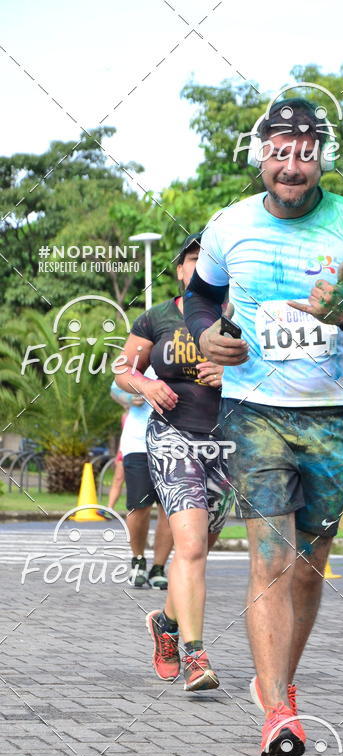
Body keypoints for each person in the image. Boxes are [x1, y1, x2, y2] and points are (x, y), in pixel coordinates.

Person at [183, 98, 343, 756]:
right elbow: (202, 297)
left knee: (310, 572)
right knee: (272, 561)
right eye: (280, 151)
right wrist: (209, 335)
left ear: (321, 157)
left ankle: (274, 676)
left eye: (305, 152)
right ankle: (281, 714)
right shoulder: (230, 225)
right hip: (255, 409)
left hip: (332, 414)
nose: (292, 165)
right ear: (262, 155)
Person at [115, 233, 235, 691]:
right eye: (194, 260)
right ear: (182, 271)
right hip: (172, 437)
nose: (202, 267)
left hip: (226, 443)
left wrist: (231, 372)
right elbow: (122, 369)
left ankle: (165, 624)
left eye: (212, 261)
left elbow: (270, 371)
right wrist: (145, 387)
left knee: (200, 550)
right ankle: (196, 656)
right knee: (189, 549)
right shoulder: (157, 317)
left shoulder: (240, 316)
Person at [109, 377, 173, 588]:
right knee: (139, 506)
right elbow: (115, 389)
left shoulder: (185, 353)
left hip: (176, 444)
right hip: (138, 443)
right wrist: (128, 397)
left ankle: (158, 567)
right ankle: (138, 559)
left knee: (170, 508)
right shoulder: (139, 358)